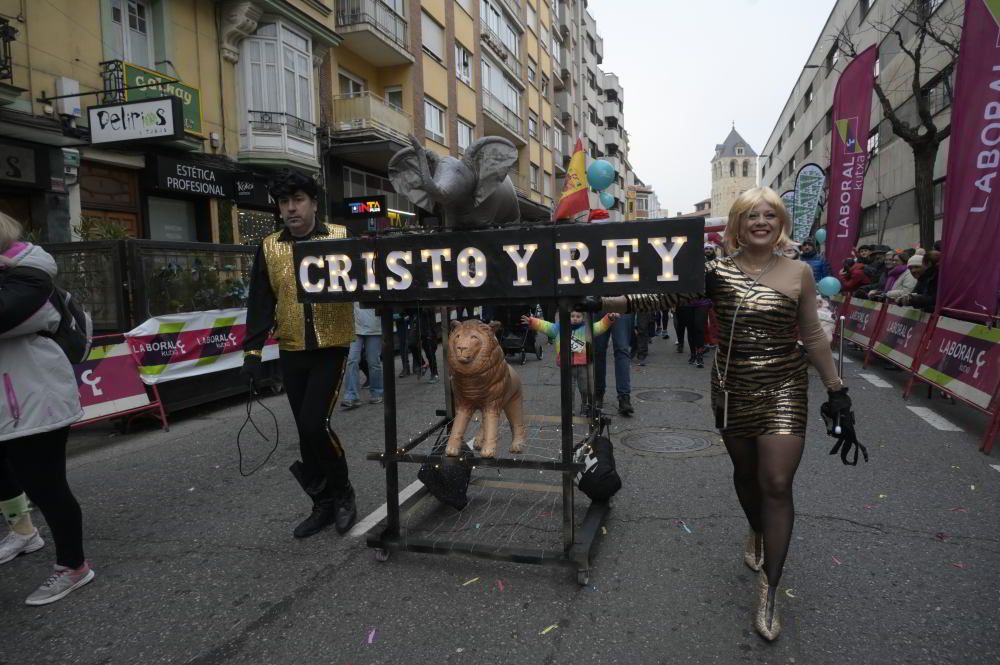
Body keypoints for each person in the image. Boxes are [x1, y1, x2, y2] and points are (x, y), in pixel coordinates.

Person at [585, 187, 854, 640]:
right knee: (747, 477)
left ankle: (770, 586)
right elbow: (663, 299)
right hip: (732, 390)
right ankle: (755, 528)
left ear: (781, 221)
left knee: (776, 482)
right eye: (752, 215)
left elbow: (811, 333)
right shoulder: (715, 270)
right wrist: (607, 302)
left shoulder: (800, 273)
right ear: (738, 224)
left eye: (770, 214)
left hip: (785, 387)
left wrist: (836, 389)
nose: (761, 222)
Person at [242, 170, 357, 538]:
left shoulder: (340, 237)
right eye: (284, 202)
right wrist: (253, 354)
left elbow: (365, 282)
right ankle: (321, 504)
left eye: (298, 200)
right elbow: (260, 301)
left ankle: (343, 495)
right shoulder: (269, 246)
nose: (291, 209)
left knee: (314, 424)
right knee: (306, 433)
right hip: (292, 349)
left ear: (313, 203)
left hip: (331, 347)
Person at [0, 212, 94, 605]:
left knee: (47, 486)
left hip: (35, 401)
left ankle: (73, 566)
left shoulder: (29, 278)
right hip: (13, 402)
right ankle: (23, 531)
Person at [522, 310, 618, 415]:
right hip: (567, 365)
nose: (575, 318)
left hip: (583, 365)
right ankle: (570, 409)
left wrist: (609, 318)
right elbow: (545, 326)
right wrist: (532, 321)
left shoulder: (587, 329)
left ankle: (585, 406)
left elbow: (599, 326)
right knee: (569, 390)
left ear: (583, 317)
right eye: (572, 316)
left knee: (585, 389)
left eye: (578, 316)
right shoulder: (559, 328)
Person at [341, 302, 384, 410]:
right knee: (352, 360)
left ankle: (377, 392)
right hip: (354, 327)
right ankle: (351, 396)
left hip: (374, 327)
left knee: (374, 362)